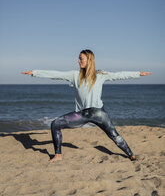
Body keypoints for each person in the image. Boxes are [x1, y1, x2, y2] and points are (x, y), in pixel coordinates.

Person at [21, 49, 152, 162]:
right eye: (78, 58)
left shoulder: (100, 75)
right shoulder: (74, 75)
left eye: (81, 58)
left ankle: (132, 155)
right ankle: (58, 155)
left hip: (99, 114)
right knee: (55, 124)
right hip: (82, 114)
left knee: (114, 135)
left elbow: (119, 75)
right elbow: (55, 74)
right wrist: (35, 72)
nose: (78, 61)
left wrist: (138, 74)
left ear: (89, 60)